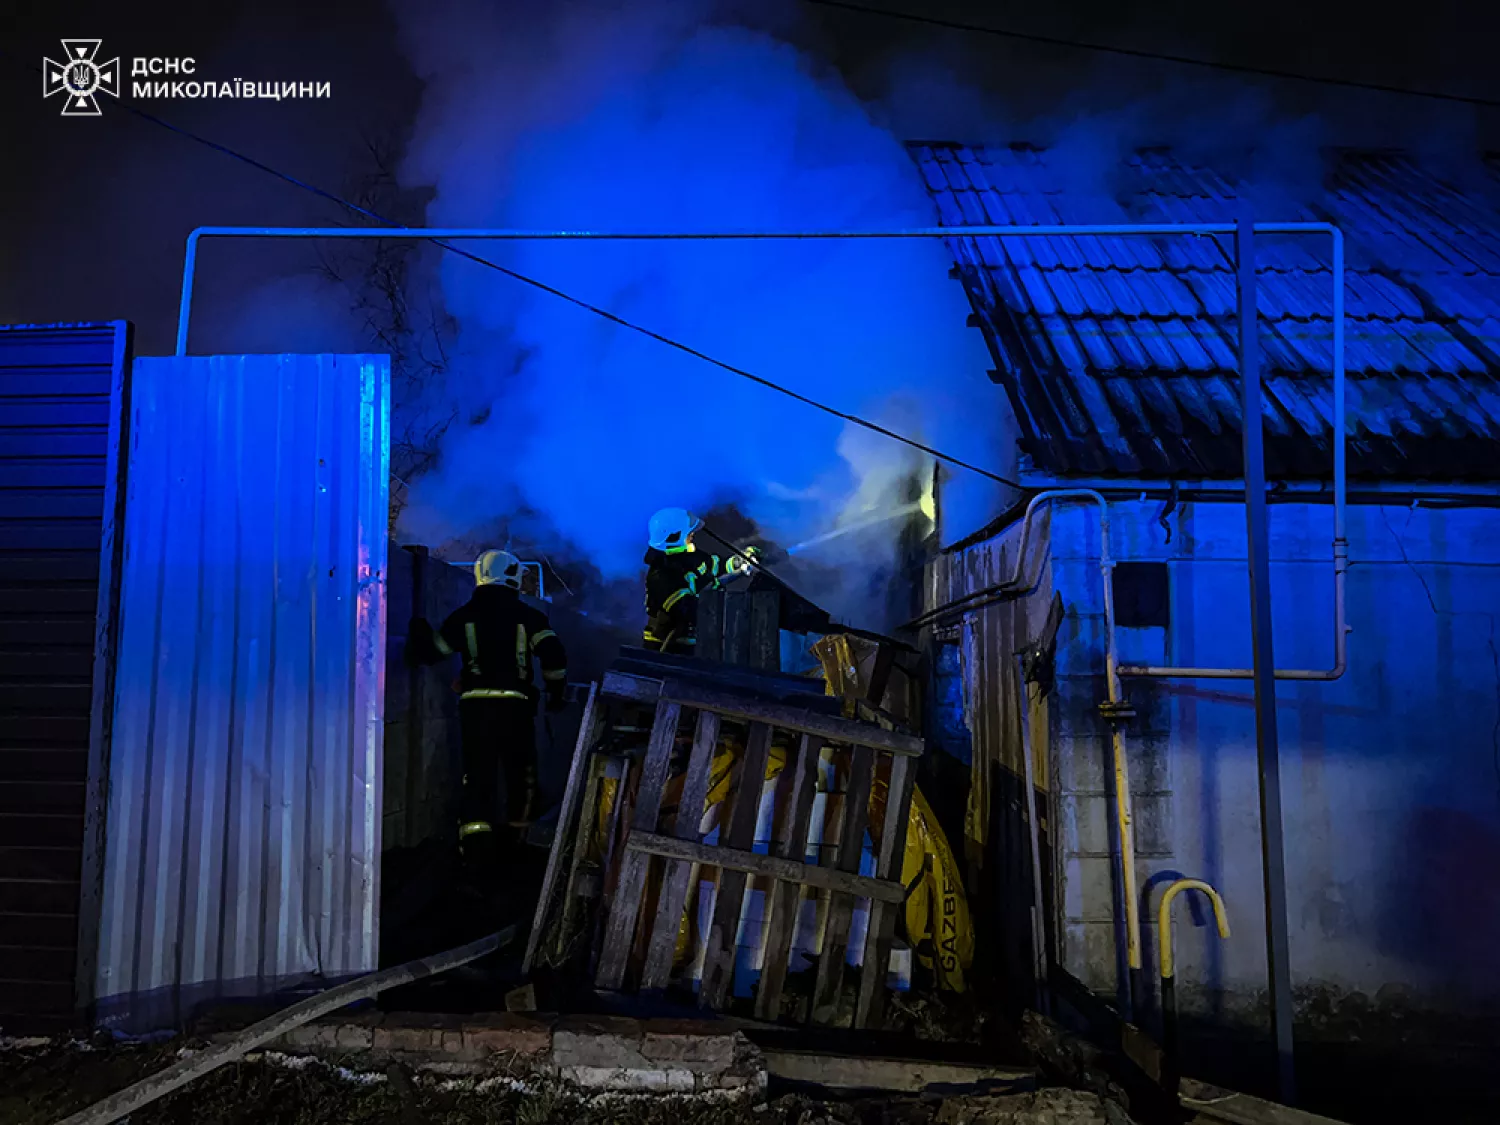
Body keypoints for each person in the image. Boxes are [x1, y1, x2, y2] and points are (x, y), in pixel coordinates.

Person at [407, 549, 568, 882]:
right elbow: (554, 654)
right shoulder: (529, 616)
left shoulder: (463, 616)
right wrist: (556, 693)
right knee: (521, 775)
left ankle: (475, 857)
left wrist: (418, 629)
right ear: (513, 577)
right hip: (516, 709)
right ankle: (517, 847)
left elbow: (433, 652)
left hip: (475, 710)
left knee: (478, 779)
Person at [642, 508, 758, 655]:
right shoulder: (660, 574)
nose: (692, 534)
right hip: (665, 647)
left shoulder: (691, 557)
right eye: (688, 532)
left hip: (693, 644)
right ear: (674, 536)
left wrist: (740, 561)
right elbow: (687, 609)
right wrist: (716, 587)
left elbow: (717, 566)